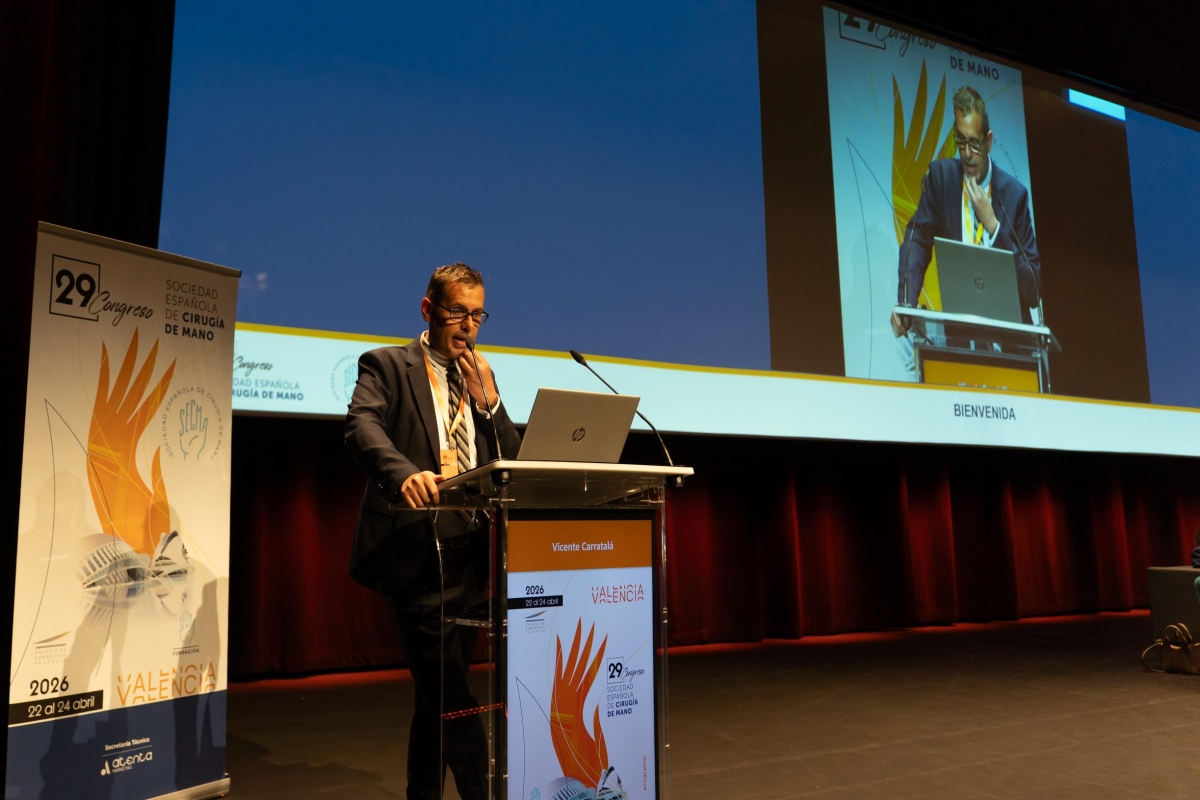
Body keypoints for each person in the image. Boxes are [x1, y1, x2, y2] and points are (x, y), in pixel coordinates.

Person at [345, 262, 521, 800]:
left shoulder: (479, 378)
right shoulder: (388, 365)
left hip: (470, 553)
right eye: (456, 313)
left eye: (476, 315)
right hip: (417, 552)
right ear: (428, 310)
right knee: (453, 693)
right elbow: (362, 425)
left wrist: (489, 399)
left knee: (437, 696)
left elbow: (511, 457)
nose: (467, 326)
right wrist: (404, 473)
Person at [892, 85, 1041, 339]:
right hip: (958, 339)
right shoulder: (941, 180)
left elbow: (1032, 288)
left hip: (1010, 347)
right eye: (960, 141)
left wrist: (993, 227)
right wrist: (906, 303)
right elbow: (916, 240)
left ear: (989, 141)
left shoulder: (1014, 196)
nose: (967, 154)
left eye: (974, 143)